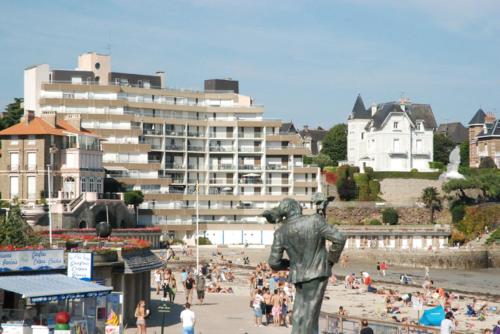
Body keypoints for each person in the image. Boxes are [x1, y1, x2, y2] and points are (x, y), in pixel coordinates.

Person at [267, 197, 346, 334]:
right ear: (297, 208)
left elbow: (273, 262)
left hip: (298, 274)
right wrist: (330, 260)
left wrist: (289, 264)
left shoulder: (280, 232)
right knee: (311, 312)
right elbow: (339, 239)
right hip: (318, 272)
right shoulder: (314, 221)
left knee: (299, 311)